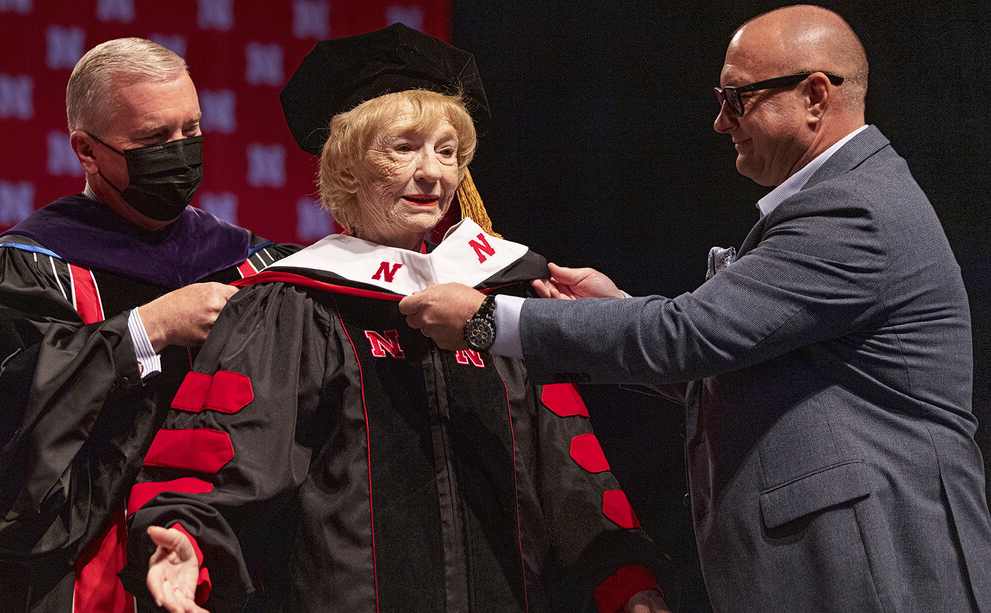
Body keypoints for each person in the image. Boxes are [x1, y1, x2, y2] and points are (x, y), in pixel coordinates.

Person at [399, 5, 991, 612]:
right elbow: (731, 361)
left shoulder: (853, 213)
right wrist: (621, 308)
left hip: (876, 573)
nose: (718, 122)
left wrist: (487, 319)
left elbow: (686, 335)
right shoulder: (846, 199)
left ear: (816, 95)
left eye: (738, 98)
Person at [119, 24, 673, 613]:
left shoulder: (502, 303)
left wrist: (626, 581)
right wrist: (183, 535)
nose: (433, 172)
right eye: (403, 147)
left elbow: (569, 467)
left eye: (447, 150)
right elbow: (226, 444)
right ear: (348, 169)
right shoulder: (297, 304)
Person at [0, 38, 298, 612]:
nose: (180, 152)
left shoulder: (249, 263)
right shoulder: (30, 267)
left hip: (217, 568)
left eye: (190, 131)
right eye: (154, 140)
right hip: (80, 577)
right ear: (86, 151)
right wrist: (145, 329)